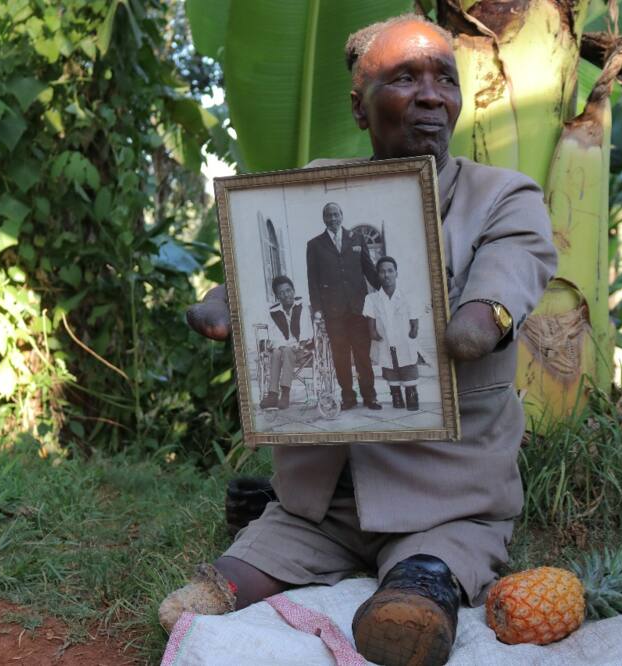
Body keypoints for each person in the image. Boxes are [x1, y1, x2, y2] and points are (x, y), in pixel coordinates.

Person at [172, 14, 556, 666]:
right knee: (213, 594)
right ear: (358, 106)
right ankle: (265, 533)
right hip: (320, 503)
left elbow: (500, 292)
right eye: (404, 78)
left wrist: (478, 322)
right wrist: (224, 303)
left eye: (444, 79)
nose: (431, 96)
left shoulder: (502, 198)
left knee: (419, 591)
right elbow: (262, 277)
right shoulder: (316, 186)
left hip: (447, 501)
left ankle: (416, 586)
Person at [306, 202, 382, 410]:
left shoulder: (356, 238)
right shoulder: (314, 245)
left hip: (358, 308)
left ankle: (370, 396)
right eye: (328, 215)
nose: (333, 218)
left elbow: (369, 269)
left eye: (336, 214)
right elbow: (312, 280)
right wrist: (318, 309)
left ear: (342, 215)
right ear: (324, 219)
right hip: (333, 312)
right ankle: (348, 396)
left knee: (362, 355)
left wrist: (386, 290)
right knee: (340, 355)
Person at [363, 256, 421, 410]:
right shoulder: (372, 299)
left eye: (390, 271)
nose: (386, 275)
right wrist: (373, 333)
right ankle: (395, 394)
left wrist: (414, 331)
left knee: (408, 363)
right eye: (382, 272)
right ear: (378, 275)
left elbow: (414, 318)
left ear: (396, 273)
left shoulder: (407, 296)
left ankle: (411, 393)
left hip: (404, 339)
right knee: (389, 366)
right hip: (385, 340)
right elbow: (371, 322)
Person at [260, 275, 314, 410]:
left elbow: (306, 331)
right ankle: (273, 395)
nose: (286, 295)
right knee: (278, 351)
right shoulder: (273, 312)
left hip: (302, 350)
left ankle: (284, 393)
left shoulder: (302, 307)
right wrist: (283, 346)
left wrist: (297, 345)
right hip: (284, 350)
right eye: (281, 293)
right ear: (278, 297)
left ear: (293, 291)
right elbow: (274, 335)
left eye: (288, 290)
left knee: (285, 351)